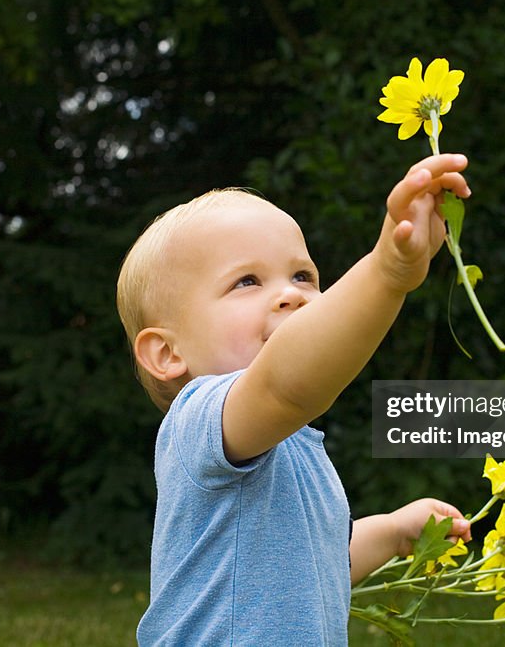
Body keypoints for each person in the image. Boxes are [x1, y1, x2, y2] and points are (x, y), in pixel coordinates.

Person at [117, 153, 474, 645]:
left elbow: (315, 563)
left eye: (303, 277)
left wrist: (392, 532)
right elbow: (286, 382)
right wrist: (387, 272)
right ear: (167, 352)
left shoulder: (292, 445)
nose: (291, 295)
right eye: (247, 281)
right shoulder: (199, 419)